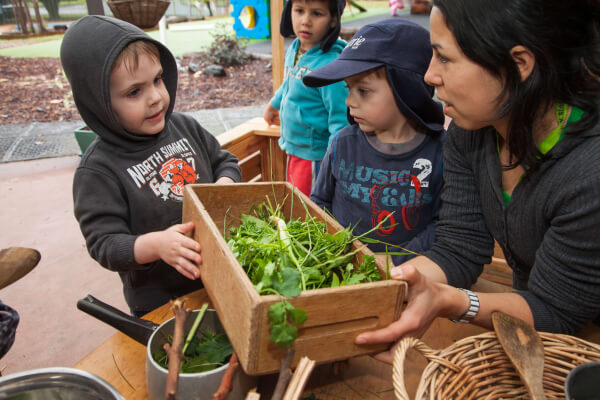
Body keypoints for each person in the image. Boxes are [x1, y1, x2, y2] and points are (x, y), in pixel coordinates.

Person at [354, 0, 600, 363]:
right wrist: (359, 278)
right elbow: (459, 248)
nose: (429, 75)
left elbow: (556, 312)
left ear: (518, 65)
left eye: (445, 58)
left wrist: (450, 301)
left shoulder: (588, 172)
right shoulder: (471, 132)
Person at [60, 16, 242, 317]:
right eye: (134, 92)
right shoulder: (98, 170)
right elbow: (104, 244)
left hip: (220, 274)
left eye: (158, 80)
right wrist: (156, 245)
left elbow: (225, 161)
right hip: (161, 301)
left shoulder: (184, 126)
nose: (156, 98)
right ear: (99, 103)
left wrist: (224, 187)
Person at [303, 19, 445, 265]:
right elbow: (319, 202)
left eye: (364, 91)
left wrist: (392, 262)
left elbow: (441, 224)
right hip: (342, 268)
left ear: (407, 90)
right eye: (349, 89)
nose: (349, 101)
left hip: (409, 278)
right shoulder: (342, 144)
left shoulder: (440, 153)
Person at [263, 0, 349, 197]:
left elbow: (340, 119)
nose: (305, 21)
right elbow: (289, 82)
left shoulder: (330, 67)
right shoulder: (296, 48)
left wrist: (332, 164)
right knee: (294, 202)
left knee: (307, 211)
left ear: (334, 20)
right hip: (294, 148)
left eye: (317, 14)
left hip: (315, 157)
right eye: (299, 11)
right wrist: (274, 104)